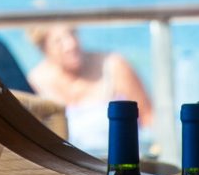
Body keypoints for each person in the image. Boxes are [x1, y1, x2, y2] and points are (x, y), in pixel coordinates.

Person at [26, 24, 153, 154]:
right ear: (43, 48)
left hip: (121, 159)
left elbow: (149, 118)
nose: (71, 44)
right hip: (68, 163)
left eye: (72, 33)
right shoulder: (36, 82)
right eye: (58, 41)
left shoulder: (113, 66)